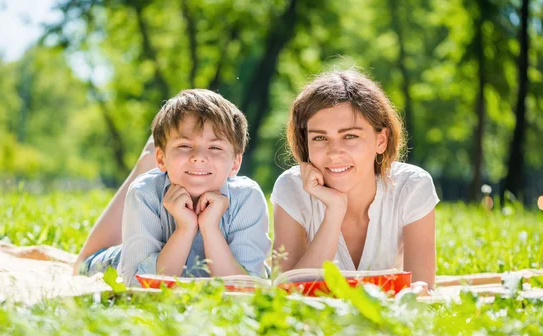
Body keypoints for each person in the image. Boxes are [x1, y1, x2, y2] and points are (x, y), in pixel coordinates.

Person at [75, 89, 271, 287]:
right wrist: (185, 229)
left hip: (184, 259)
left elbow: (247, 287)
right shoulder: (144, 193)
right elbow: (138, 286)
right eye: (185, 146)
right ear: (160, 159)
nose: (199, 156)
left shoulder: (247, 197)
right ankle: (146, 162)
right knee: (81, 266)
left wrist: (210, 228)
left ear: (235, 163)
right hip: (125, 259)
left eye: (215, 147)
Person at [271, 69, 439, 288]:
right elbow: (285, 293)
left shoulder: (412, 187)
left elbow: (421, 291)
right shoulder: (291, 188)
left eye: (350, 136)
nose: (334, 152)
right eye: (320, 138)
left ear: (381, 140)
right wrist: (334, 211)